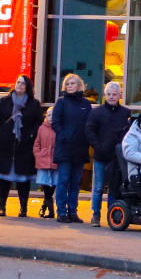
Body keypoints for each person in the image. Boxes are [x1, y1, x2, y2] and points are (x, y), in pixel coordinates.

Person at [0, 75, 41, 218]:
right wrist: (2, 133)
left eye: (23, 83)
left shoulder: (34, 104)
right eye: (18, 82)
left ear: (27, 87)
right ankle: (2, 207)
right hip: (5, 145)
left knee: (23, 179)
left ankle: (23, 208)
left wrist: (31, 135)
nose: (19, 85)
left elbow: (38, 122)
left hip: (24, 146)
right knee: (4, 178)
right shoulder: (5, 101)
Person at [48, 72, 92, 224]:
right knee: (64, 180)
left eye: (73, 83)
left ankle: (73, 212)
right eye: (67, 84)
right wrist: (64, 135)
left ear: (79, 85)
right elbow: (55, 122)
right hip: (65, 148)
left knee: (75, 182)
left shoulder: (86, 104)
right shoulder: (61, 102)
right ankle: (61, 212)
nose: (70, 86)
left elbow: (89, 124)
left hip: (80, 148)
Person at [84, 81, 129, 226]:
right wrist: (97, 146)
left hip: (116, 158)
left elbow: (127, 134)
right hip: (100, 155)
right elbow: (89, 130)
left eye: (114, 94)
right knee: (98, 188)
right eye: (109, 94)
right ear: (105, 95)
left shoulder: (125, 113)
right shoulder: (96, 112)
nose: (111, 97)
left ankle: (112, 216)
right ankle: (95, 216)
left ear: (119, 95)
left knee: (114, 189)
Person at [33, 107, 59, 218]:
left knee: (52, 185)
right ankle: (51, 211)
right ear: (46, 116)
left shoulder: (59, 128)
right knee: (46, 186)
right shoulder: (41, 128)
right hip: (43, 160)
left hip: (55, 161)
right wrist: (38, 154)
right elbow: (37, 144)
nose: (51, 117)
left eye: (53, 115)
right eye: (49, 115)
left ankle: (45, 207)